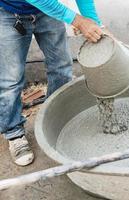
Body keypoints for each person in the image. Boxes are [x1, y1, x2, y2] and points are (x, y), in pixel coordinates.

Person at [0, 0, 105, 166]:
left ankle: (55, 118)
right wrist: (78, 21)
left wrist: (93, 22)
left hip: (48, 12)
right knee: (10, 81)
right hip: (8, 12)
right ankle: (14, 133)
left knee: (61, 68)